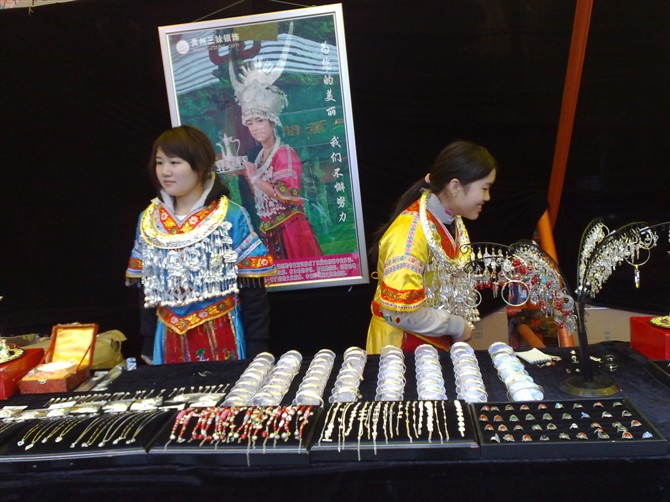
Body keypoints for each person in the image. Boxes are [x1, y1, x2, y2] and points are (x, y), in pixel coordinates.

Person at [126, 125, 276, 364]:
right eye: (159, 162)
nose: (165, 171)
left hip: (221, 332)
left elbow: (252, 288)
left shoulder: (230, 216)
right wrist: (148, 339)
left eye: (175, 163)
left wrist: (258, 345)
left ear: (201, 164)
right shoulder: (149, 220)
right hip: (167, 337)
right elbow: (146, 286)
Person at [366, 140, 497, 354]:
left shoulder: (450, 220)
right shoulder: (409, 233)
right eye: (484, 188)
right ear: (455, 186)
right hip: (400, 349)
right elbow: (397, 313)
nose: (487, 197)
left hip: (433, 344)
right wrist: (455, 325)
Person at [229, 57, 323, 261]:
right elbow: (262, 198)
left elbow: (286, 195)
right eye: (250, 123)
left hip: (291, 230)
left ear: (272, 122)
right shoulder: (260, 157)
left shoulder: (284, 153)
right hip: (271, 232)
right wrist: (247, 175)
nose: (255, 128)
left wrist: (254, 177)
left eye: (260, 121)